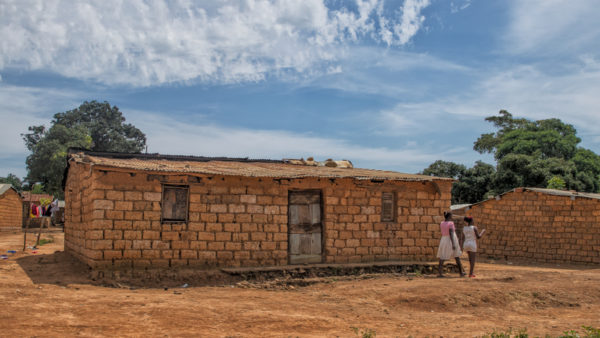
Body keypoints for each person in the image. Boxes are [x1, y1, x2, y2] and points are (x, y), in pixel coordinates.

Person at [437, 211, 465, 277]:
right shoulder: (451, 223)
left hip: (443, 239)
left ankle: (440, 273)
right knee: (456, 256)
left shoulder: (442, 223)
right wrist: (453, 243)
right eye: (451, 216)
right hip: (450, 239)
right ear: (449, 216)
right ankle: (461, 272)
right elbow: (451, 233)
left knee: (442, 256)